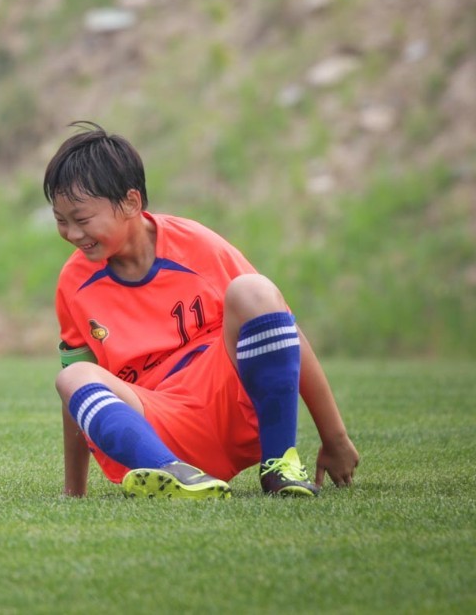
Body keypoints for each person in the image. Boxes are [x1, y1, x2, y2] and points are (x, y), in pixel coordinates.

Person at [45, 121, 359, 499]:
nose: (72, 234)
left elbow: (282, 329)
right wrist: (72, 491)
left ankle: (279, 466)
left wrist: (335, 438)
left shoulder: (198, 246)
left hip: (232, 411)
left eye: (81, 220)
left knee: (254, 290)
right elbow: (73, 399)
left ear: (131, 202)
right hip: (157, 426)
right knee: (73, 375)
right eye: (61, 221)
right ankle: (173, 475)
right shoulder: (73, 283)